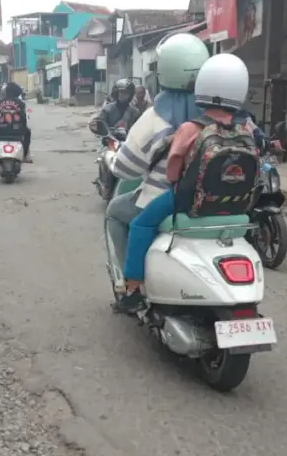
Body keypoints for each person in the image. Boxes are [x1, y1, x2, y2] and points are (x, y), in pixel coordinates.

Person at [116, 53, 261, 313]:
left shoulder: (191, 128)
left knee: (141, 224)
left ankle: (133, 287)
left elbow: (173, 169)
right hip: (235, 203)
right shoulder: (246, 128)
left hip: (188, 199)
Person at [104, 33, 210, 301]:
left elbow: (124, 169)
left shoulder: (155, 117)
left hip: (167, 198)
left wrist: (114, 160)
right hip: (211, 200)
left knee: (116, 211)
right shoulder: (217, 114)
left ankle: (130, 283)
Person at [0, 82, 32, 162]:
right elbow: (24, 118)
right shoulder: (21, 103)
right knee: (28, 132)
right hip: (18, 130)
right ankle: (25, 156)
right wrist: (23, 128)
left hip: (0, 130)